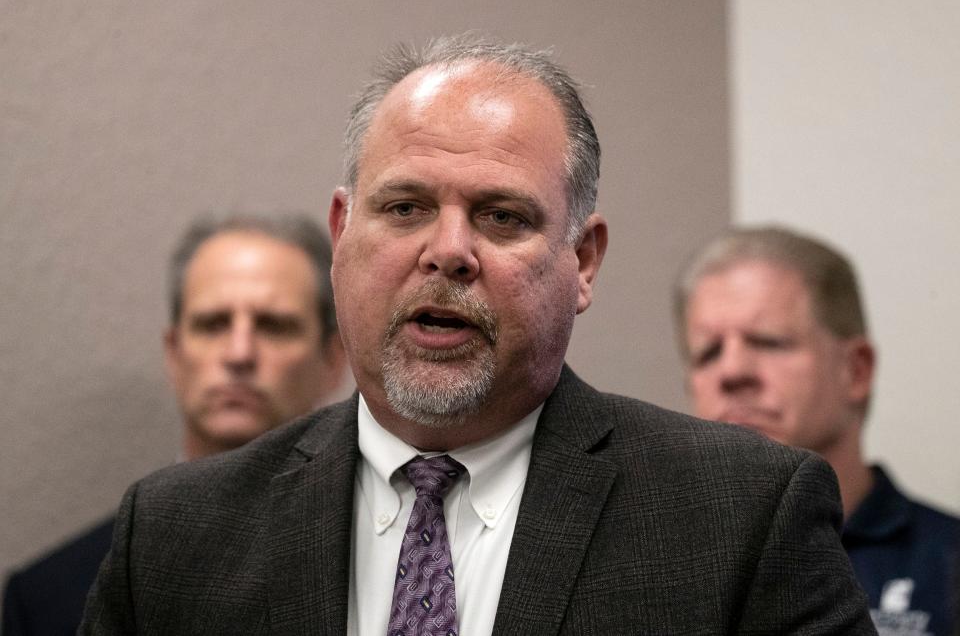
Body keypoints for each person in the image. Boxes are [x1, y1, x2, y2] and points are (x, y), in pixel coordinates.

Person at [80, 36, 876, 635]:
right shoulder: (174, 536)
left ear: (584, 261)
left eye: (502, 217)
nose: (448, 251)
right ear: (341, 233)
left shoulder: (742, 516)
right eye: (404, 208)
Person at [2, 214, 346, 636]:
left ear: (333, 360)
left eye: (273, 326)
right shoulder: (45, 599)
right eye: (213, 323)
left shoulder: (381, 562)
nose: (239, 353)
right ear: (173, 353)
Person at [675, 225, 959, 635]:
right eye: (708, 352)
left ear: (856, 370)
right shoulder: (653, 567)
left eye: (768, 341)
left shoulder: (948, 562)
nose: (732, 371)